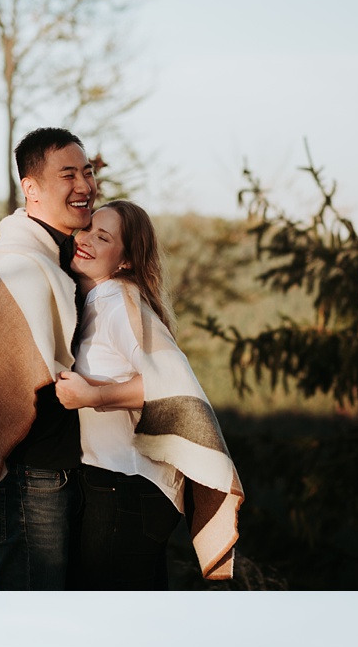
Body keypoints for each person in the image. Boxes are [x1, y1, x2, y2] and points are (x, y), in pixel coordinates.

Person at [55, 201, 243, 588]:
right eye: (87, 229)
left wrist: (92, 396)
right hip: (125, 487)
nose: (85, 239)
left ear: (124, 261)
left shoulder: (117, 302)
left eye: (103, 237)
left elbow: (170, 384)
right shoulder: (100, 301)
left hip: (124, 488)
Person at [0, 127, 96, 590]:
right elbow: (6, 384)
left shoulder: (70, 259)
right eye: (69, 175)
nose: (84, 185)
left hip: (76, 469)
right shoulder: (15, 266)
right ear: (32, 188)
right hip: (31, 473)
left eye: (88, 171)